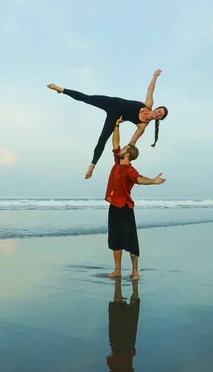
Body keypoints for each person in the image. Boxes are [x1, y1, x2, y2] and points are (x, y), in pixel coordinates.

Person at [47, 69, 168, 179]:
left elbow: (131, 144)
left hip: (114, 118)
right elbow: (150, 89)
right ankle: (61, 90)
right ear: (156, 108)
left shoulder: (142, 126)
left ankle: (92, 165)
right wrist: (155, 76)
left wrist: (124, 160)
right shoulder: (148, 103)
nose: (158, 114)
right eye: (159, 111)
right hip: (111, 102)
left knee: (102, 139)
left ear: (160, 119)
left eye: (160, 115)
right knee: (86, 98)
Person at [105, 117, 166, 281]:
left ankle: (135, 272)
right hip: (114, 206)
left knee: (130, 240)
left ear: (127, 154)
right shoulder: (118, 161)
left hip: (125, 208)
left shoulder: (130, 170)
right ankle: (117, 270)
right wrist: (116, 125)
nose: (121, 148)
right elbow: (114, 143)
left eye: (124, 148)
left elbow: (139, 179)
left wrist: (153, 181)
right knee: (115, 239)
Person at [106, 278, 140, 372]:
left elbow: (110, 361)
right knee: (122, 311)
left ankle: (135, 287)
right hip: (122, 348)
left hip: (125, 348)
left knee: (128, 311)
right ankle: (134, 286)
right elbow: (109, 360)